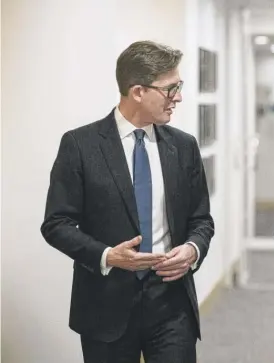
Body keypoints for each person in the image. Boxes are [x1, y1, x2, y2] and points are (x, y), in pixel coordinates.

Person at [41, 40, 214, 363]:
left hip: (171, 304)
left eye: (179, 86)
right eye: (170, 88)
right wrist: (108, 255)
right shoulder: (80, 145)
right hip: (105, 305)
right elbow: (56, 224)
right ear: (138, 92)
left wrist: (192, 250)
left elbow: (201, 219)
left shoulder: (184, 146)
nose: (178, 97)